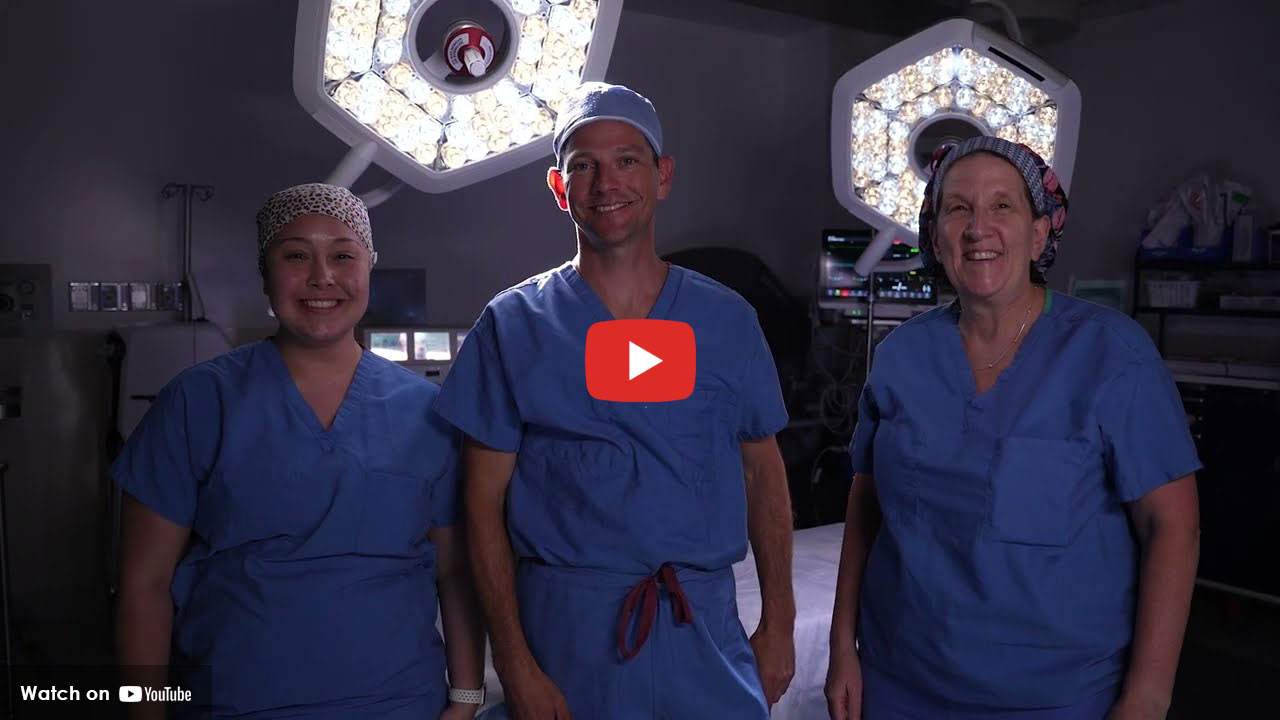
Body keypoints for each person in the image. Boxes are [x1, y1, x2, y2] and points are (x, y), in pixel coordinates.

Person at [433, 82, 796, 719]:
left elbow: (763, 473)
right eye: (584, 166)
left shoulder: (725, 321)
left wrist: (780, 623)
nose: (607, 183)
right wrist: (514, 664)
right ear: (558, 187)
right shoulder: (515, 325)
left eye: (628, 160)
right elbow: (481, 507)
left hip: (702, 629)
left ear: (663, 176)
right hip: (567, 636)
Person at [825, 136, 1201, 720]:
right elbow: (867, 505)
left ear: (1041, 231)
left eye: (1003, 206)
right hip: (900, 679)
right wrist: (840, 647)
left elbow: (1172, 527)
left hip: (1054, 697)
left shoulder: (1112, 356)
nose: (979, 228)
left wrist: (1148, 697)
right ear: (935, 234)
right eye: (958, 208)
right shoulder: (902, 355)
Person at [114, 183, 486, 719]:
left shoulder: (427, 412)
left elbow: (454, 572)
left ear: (368, 268)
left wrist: (467, 696)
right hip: (234, 702)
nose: (322, 277)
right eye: (295, 255)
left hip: (398, 704)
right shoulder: (199, 403)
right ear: (264, 271)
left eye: (342, 255)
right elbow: (143, 584)